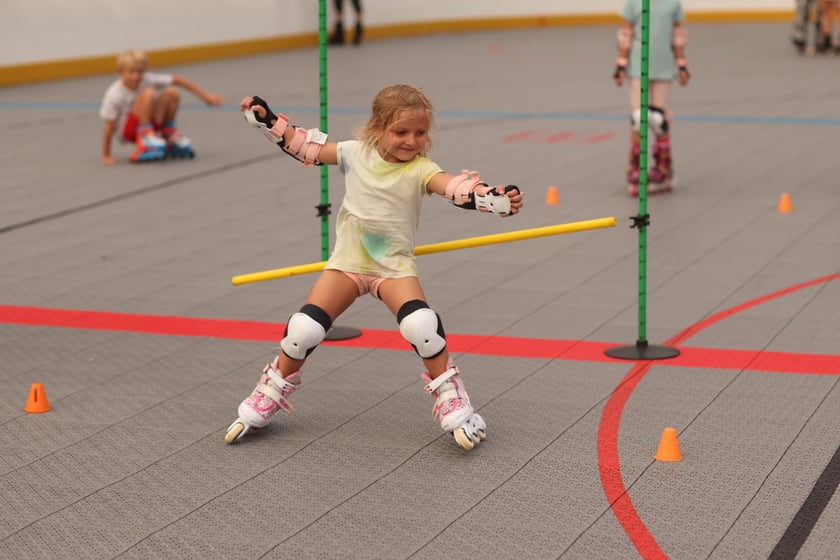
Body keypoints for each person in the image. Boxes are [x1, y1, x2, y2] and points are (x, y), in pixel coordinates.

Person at [224, 84, 524, 450]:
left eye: (420, 132)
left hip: (393, 269)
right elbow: (305, 147)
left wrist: (489, 197)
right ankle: (271, 389)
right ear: (377, 128)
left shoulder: (421, 169)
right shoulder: (354, 153)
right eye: (401, 132)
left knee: (421, 325)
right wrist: (268, 120)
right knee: (303, 330)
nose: (411, 141)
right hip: (347, 264)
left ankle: (451, 395)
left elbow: (454, 188)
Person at [613, 0, 690, 197]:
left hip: (663, 67)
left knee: (659, 119)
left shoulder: (673, 3)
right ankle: (636, 167)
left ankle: (664, 168)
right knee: (639, 118)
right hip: (638, 67)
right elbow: (626, 32)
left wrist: (681, 64)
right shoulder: (634, 2)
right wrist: (621, 63)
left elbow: (677, 34)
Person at [99, 49, 224, 164]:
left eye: (140, 72)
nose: (136, 76)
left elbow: (178, 80)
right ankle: (145, 138)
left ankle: (168, 134)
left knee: (172, 92)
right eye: (131, 72)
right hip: (129, 132)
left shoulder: (147, 79)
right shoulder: (114, 93)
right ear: (120, 72)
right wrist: (106, 154)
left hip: (151, 125)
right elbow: (109, 126)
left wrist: (205, 97)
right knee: (148, 93)